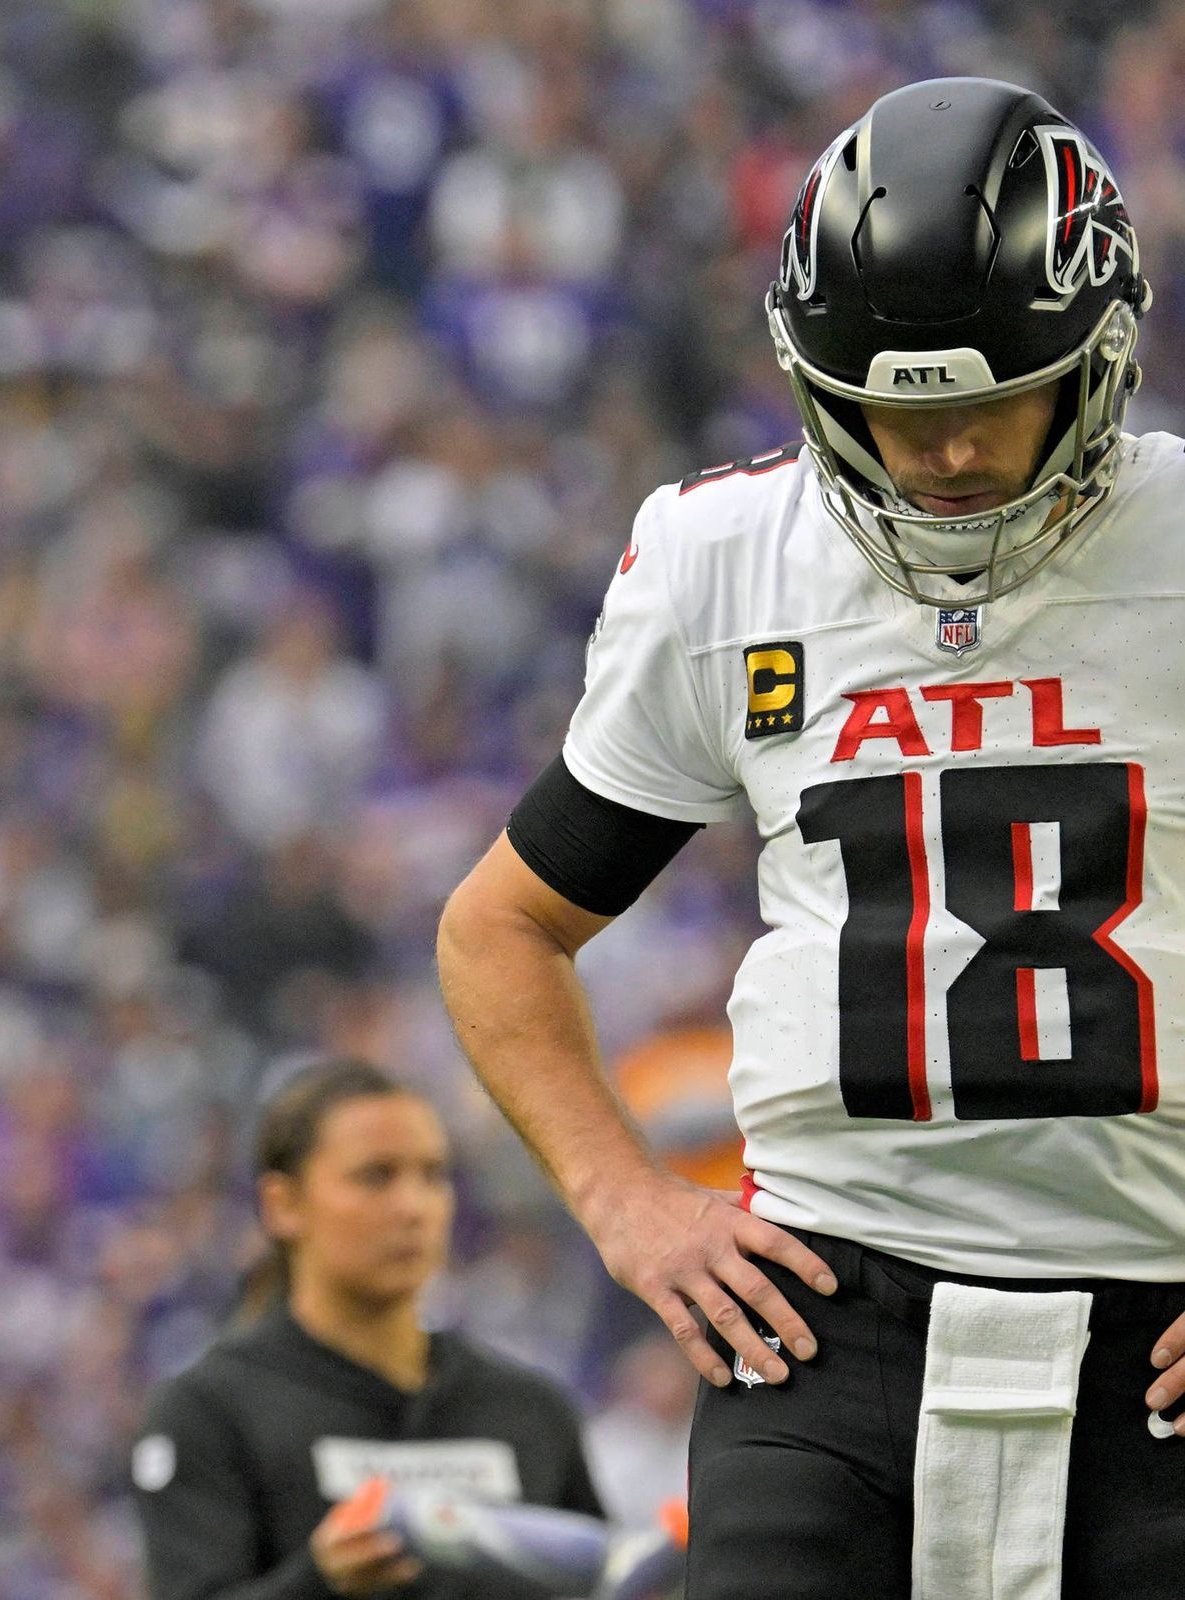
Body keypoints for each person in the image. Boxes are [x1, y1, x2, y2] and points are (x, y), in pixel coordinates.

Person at [437, 75, 1185, 1599]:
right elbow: (499, 929)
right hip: (829, 1303)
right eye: (902, 411)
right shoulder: (727, 562)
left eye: (989, 400)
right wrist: (632, 1206)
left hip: (1154, 1301)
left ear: (1095, 361)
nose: (946, 456)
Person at [132, 1058, 603, 1600]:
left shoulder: (530, 1410)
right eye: (375, 1176)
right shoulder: (210, 1412)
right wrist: (320, 1582)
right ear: (282, 1205)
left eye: (433, 1176)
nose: (413, 1208)